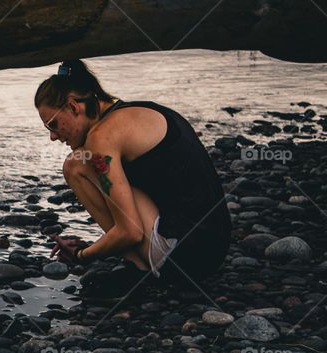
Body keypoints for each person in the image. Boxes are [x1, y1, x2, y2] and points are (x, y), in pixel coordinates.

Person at [34, 59, 231, 299]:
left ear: (74, 107)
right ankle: (144, 262)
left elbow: (131, 232)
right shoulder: (137, 111)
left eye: (53, 125)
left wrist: (82, 255)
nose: (53, 136)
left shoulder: (102, 137)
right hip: (213, 245)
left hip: (183, 258)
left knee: (75, 165)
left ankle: (139, 267)